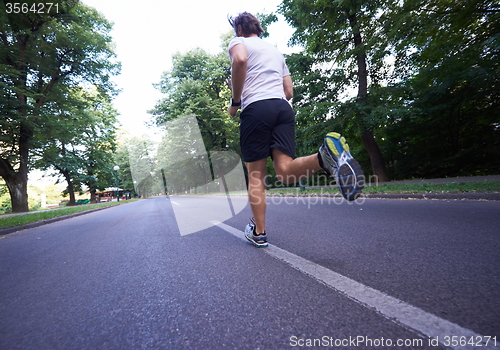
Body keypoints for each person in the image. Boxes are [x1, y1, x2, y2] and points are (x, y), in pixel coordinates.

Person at [227, 12, 364, 248]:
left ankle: (259, 233)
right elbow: (289, 91)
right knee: (285, 171)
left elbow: (239, 60)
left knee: (256, 175)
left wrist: (235, 101)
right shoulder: (275, 51)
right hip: (282, 108)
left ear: (239, 29)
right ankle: (324, 157)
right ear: (258, 29)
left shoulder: (239, 42)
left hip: (256, 109)